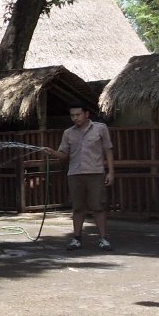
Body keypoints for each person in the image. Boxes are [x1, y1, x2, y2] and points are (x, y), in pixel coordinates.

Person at [51, 105, 115, 249]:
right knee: (78, 208)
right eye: (72, 115)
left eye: (78, 114)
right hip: (75, 174)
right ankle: (77, 238)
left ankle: (104, 238)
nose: (75, 118)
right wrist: (52, 153)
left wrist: (111, 172)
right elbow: (63, 155)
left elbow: (108, 150)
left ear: (86, 114)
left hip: (96, 173)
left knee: (98, 207)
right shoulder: (68, 133)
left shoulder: (100, 128)